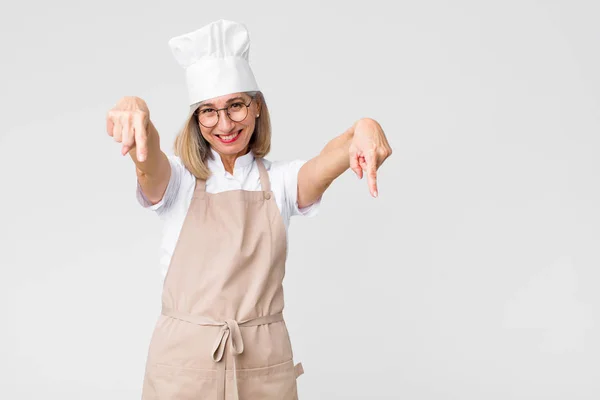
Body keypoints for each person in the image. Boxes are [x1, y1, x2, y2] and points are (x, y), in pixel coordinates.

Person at [106, 19, 391, 400]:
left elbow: (333, 156)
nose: (224, 124)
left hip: (262, 366)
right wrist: (136, 109)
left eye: (236, 106)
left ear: (256, 106)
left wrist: (365, 126)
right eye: (208, 111)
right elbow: (148, 159)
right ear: (196, 119)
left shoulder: (284, 184)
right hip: (183, 369)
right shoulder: (177, 181)